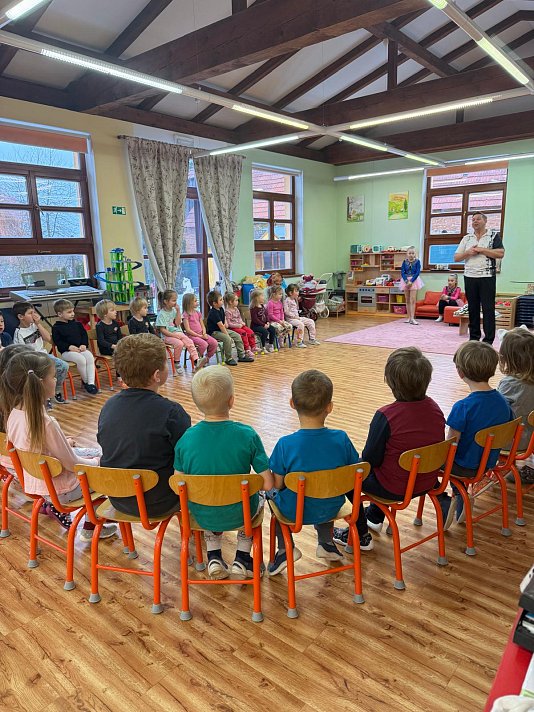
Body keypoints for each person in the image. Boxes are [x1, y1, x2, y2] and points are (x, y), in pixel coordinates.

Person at [333, 347, 446, 550]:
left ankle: (360, 535)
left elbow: (370, 460)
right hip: (427, 480)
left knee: (350, 473)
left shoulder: (386, 415)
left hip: (396, 488)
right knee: (389, 465)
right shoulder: (435, 408)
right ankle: (374, 516)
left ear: (390, 382)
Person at [173, 366, 273, 579]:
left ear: (197, 404)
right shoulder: (247, 435)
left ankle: (213, 556)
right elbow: (267, 484)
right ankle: (242, 557)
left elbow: (177, 485)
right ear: (231, 400)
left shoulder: (186, 439)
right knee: (258, 495)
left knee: (208, 496)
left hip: (201, 514)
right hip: (240, 513)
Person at [4, 350, 116, 539]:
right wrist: (98, 463)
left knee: (90, 455)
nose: (56, 380)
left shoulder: (14, 415)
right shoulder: (45, 423)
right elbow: (73, 464)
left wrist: (65, 444)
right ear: (41, 383)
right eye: (53, 376)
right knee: (108, 469)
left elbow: (39, 450)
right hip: (63, 490)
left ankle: (94, 519)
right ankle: (93, 525)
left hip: (38, 485)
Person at [268, 370, 359, 576]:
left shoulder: (285, 445)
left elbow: (278, 485)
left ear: (292, 403)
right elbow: (354, 471)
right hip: (333, 506)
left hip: (295, 512)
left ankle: (284, 550)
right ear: (329, 407)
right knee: (325, 485)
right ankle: (326, 542)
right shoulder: (341, 438)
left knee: (269, 494)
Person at [98, 333, 191, 516]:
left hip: (118, 497)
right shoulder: (172, 412)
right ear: (157, 375)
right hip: (159, 501)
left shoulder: (108, 406)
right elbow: (187, 459)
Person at [441, 341, 514, 528]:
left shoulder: (463, 407)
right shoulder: (503, 402)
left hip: (464, 467)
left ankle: (453, 496)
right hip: (488, 462)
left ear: (460, 373)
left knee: (430, 461)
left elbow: (450, 445)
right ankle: (461, 495)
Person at [454, 212, 505, 344]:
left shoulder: (493, 235)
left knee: (488, 309)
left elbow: (500, 253)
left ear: (485, 221)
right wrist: (468, 252)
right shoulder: (467, 238)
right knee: (473, 308)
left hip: (487, 276)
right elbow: (456, 257)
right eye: (473, 220)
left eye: (478, 219)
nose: (475, 221)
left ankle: (488, 340)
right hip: (470, 277)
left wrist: (482, 250)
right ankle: (474, 338)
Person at [12, 301, 69, 404]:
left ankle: (55, 391)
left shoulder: (35, 326)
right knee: (43, 374)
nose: (34, 315)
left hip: (44, 356)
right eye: (30, 313)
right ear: (21, 316)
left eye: (34, 312)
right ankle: (44, 397)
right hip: (32, 360)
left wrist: (38, 324)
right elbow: (21, 353)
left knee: (63, 366)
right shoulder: (18, 333)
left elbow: (50, 340)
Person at [497, 327, 534, 484]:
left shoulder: (509, 384)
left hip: (513, 441)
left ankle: (499, 466)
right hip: (531, 439)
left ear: (507, 359)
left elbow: (497, 414)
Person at [51, 299, 98, 396]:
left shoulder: (77, 324)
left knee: (89, 356)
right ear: (60, 314)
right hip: (67, 352)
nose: (72, 314)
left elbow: (84, 335)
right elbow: (58, 342)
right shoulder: (56, 328)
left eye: (73, 311)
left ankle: (91, 383)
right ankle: (86, 382)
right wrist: (69, 347)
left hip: (80, 349)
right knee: (81, 359)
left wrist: (84, 344)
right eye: (69, 312)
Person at [156, 289, 206, 374]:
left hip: (178, 333)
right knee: (179, 344)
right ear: (165, 301)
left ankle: (196, 360)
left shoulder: (174, 310)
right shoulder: (161, 314)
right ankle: (177, 362)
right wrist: (173, 335)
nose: (175, 302)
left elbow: (178, 323)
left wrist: (178, 311)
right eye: (173, 300)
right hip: (167, 336)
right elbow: (162, 330)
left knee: (189, 341)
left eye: (176, 300)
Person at [206, 290, 253, 366]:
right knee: (227, 339)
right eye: (220, 300)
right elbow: (221, 326)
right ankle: (229, 358)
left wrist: (226, 324)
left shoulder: (221, 309)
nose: (222, 301)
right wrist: (227, 335)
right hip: (214, 332)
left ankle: (241, 355)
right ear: (214, 303)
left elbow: (223, 320)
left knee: (238, 336)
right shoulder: (213, 312)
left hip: (222, 330)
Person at [182, 293, 218, 363]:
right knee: (204, 344)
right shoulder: (185, 315)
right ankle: (196, 358)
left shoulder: (198, 313)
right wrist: (199, 336)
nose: (197, 302)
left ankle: (206, 358)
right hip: (192, 336)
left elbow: (202, 325)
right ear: (189, 303)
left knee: (214, 343)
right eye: (195, 301)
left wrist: (204, 333)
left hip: (202, 334)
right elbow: (188, 330)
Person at [223, 291, 256, 359]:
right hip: (233, 328)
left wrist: (241, 322)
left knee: (250, 332)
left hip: (240, 325)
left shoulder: (236, 309)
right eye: (236, 300)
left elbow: (239, 318)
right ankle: (247, 349)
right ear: (230, 302)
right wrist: (237, 325)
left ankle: (253, 347)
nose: (237, 302)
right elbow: (229, 324)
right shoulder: (227, 311)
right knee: (243, 333)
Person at [400, 246, 424, 326]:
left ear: (415, 254)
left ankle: (413, 318)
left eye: (412, 253)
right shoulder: (404, 262)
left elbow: (417, 272)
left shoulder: (417, 261)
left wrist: (411, 281)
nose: (411, 255)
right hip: (405, 281)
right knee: (407, 299)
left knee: (412, 300)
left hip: (414, 281)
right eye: (409, 253)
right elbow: (402, 272)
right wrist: (406, 281)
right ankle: (409, 317)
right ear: (407, 254)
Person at [249, 288, 276, 354]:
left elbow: (266, 315)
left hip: (264, 324)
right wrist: (263, 325)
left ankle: (270, 345)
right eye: (262, 296)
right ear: (257, 298)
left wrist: (267, 322)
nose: (263, 297)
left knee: (272, 329)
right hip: (256, 326)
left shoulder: (262, 306)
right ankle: (263, 347)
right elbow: (255, 319)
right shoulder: (253, 308)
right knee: (265, 332)